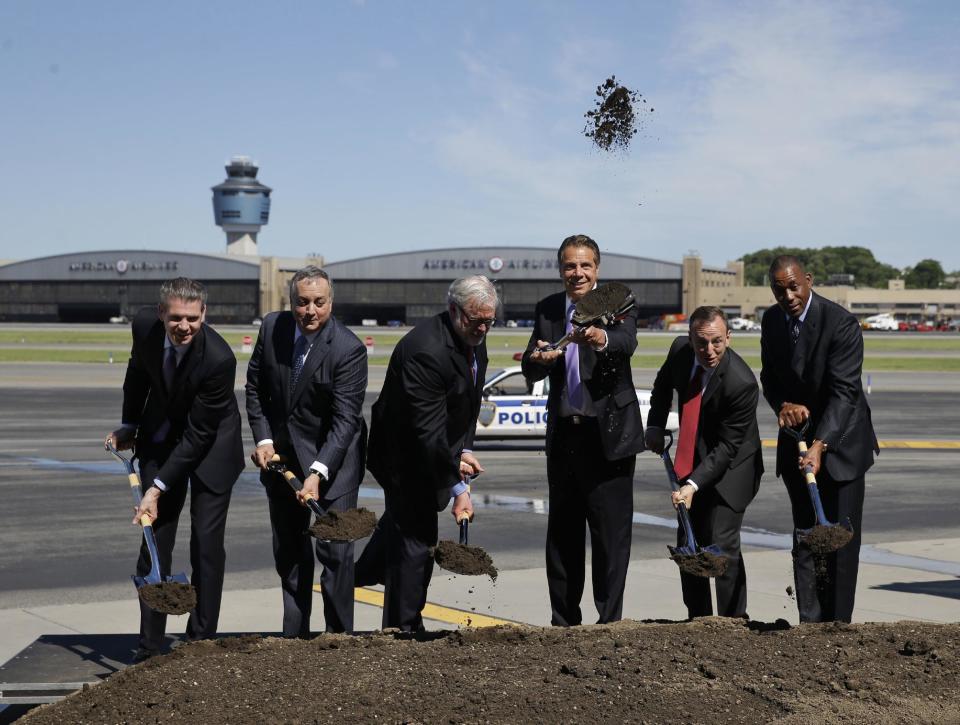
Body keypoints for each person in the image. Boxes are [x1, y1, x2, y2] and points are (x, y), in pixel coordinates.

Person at [105, 278, 244, 661]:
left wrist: (157, 487)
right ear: (162, 313)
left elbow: (198, 435)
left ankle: (199, 641)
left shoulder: (219, 359)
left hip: (212, 444)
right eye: (176, 318)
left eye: (193, 319)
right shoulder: (143, 326)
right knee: (154, 542)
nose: (184, 327)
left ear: (204, 315)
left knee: (206, 543)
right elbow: (137, 373)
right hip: (162, 435)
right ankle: (150, 647)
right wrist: (130, 424)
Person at [355, 275, 495, 631]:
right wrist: (458, 488)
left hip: (433, 449)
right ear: (453, 310)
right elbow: (427, 432)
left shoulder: (473, 339)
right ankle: (402, 628)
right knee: (417, 543)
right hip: (403, 456)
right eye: (475, 320)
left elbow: (468, 404)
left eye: (488, 321)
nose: (482, 328)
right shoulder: (426, 350)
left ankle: (365, 570)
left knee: (406, 531)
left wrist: (464, 448)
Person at [521, 234, 644, 626]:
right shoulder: (548, 308)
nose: (577, 273)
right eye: (570, 266)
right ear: (560, 269)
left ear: (597, 269)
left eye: (585, 265)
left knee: (610, 536)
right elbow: (530, 363)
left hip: (607, 436)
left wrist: (600, 337)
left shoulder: (616, 301)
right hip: (566, 437)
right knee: (563, 534)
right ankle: (563, 621)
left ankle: (609, 623)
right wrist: (539, 359)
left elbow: (626, 342)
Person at [245, 266, 367, 636]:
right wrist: (264, 440)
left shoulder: (349, 349)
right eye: (302, 302)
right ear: (291, 302)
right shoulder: (272, 328)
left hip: (333, 462)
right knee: (290, 553)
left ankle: (338, 639)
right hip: (282, 462)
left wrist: (317, 473)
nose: (310, 310)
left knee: (335, 554)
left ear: (331, 301)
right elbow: (255, 389)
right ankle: (294, 639)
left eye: (319, 302)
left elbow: (345, 422)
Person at [760, 255, 878, 623]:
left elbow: (845, 393)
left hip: (840, 446)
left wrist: (821, 444)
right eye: (780, 290)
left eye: (794, 286)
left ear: (808, 280)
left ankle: (837, 627)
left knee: (840, 546)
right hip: (796, 443)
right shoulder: (771, 321)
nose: (788, 295)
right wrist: (782, 405)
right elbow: (770, 377)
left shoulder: (840, 323)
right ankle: (809, 627)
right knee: (807, 539)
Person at [645, 306, 763, 619]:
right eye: (701, 342)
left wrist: (693, 484)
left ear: (728, 337)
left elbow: (727, 447)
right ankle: (698, 620)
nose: (708, 351)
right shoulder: (681, 352)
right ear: (689, 338)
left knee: (722, 544)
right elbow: (662, 385)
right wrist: (655, 425)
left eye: (716, 342)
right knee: (688, 540)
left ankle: (732, 621)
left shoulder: (742, 383)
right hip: (694, 454)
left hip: (734, 467)